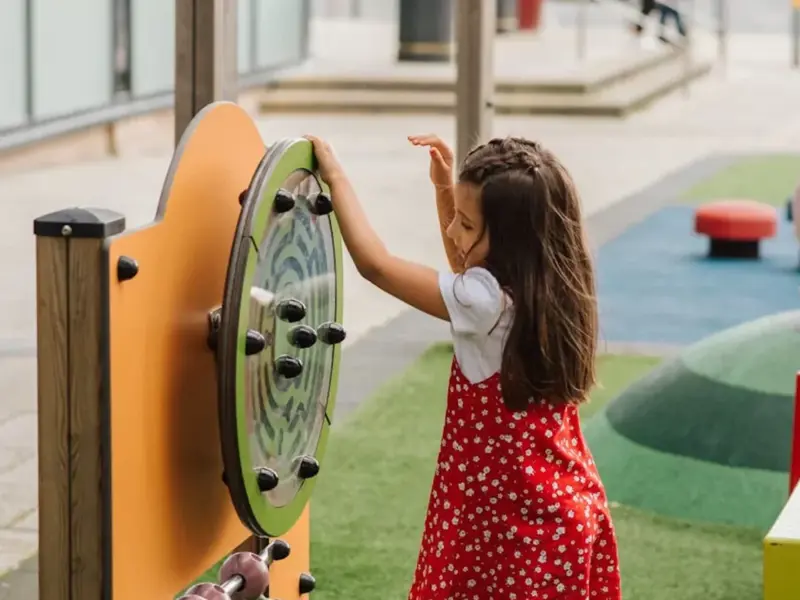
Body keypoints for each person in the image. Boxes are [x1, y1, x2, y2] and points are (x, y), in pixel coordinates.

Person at [305, 133, 622, 600]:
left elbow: (376, 266)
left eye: (467, 224)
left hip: (512, 531)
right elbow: (467, 269)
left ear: (510, 244)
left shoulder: (486, 303)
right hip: (561, 513)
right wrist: (443, 191)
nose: (453, 232)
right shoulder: (553, 285)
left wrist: (334, 176)